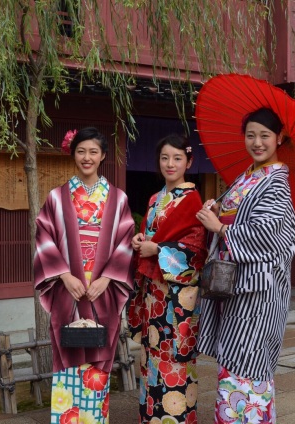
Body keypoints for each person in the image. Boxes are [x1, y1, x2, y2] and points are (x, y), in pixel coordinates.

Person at [196, 108, 295, 423]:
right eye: (251, 135)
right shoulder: (249, 176)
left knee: (249, 360)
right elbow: (234, 213)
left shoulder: (277, 182)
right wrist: (217, 207)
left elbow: (266, 233)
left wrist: (221, 227)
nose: (257, 142)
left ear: (279, 138)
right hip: (237, 285)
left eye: (264, 136)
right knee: (233, 359)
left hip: (258, 291)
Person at [33, 127, 135, 424]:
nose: (87, 157)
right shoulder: (56, 197)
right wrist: (63, 275)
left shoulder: (117, 199)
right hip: (69, 289)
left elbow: (126, 240)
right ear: (73, 154)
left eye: (93, 151)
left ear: (103, 155)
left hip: (103, 288)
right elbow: (44, 237)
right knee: (67, 354)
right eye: (81, 151)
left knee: (98, 359)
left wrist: (107, 278)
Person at [128, 134, 207, 423]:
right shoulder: (155, 198)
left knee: (174, 358)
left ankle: (176, 417)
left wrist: (158, 249)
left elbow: (195, 249)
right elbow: (152, 236)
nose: (170, 164)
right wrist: (142, 240)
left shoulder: (192, 199)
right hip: (153, 294)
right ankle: (151, 416)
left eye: (177, 158)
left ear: (189, 161)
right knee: (150, 356)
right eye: (165, 158)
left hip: (177, 296)